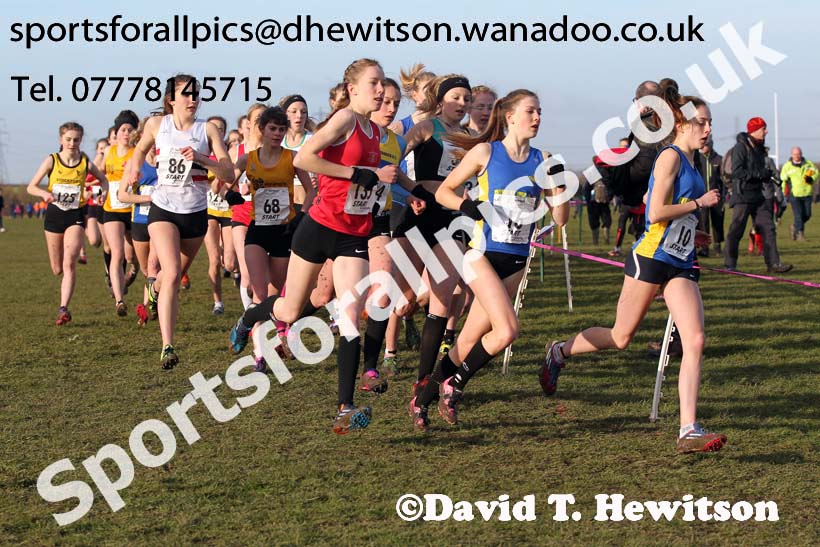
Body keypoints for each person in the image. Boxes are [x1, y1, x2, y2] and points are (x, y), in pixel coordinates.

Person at [539, 83, 727, 455]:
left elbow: (661, 206)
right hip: (651, 258)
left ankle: (688, 429)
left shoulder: (693, 161)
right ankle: (558, 351)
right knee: (621, 336)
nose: (708, 129)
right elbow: (654, 212)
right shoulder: (670, 157)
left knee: (696, 340)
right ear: (682, 124)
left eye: (709, 123)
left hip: (680, 261)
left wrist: (694, 233)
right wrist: (698, 205)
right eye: (702, 123)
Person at [229, 59, 397, 434]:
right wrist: (359, 174)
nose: (381, 90)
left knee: (351, 316)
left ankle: (344, 407)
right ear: (352, 89)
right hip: (318, 227)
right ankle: (250, 318)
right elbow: (305, 157)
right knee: (288, 310)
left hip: (354, 232)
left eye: (383, 83)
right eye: (373, 83)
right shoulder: (345, 120)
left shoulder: (374, 131)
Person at [409, 89, 569, 430]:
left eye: (539, 111)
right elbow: (443, 192)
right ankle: (456, 385)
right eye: (530, 111)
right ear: (510, 116)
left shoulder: (544, 158)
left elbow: (560, 219)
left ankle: (423, 398)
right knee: (508, 330)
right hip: (480, 255)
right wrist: (468, 206)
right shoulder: (485, 151)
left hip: (515, 260)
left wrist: (559, 185)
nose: (537, 117)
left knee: (467, 342)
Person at [124, 74, 234, 369]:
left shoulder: (207, 129)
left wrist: (203, 158)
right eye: (186, 94)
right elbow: (138, 149)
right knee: (171, 272)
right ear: (171, 99)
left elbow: (229, 173)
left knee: (169, 278)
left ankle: (152, 290)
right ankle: (167, 346)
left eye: (196, 93)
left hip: (196, 212)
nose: (193, 99)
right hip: (163, 208)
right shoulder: (157, 125)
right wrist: (133, 169)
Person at [394, 73, 473, 396]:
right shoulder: (428, 127)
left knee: (440, 301)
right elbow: (392, 158)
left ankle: (423, 382)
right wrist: (409, 190)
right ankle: (376, 358)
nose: (462, 104)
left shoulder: (470, 137)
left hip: (452, 222)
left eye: (466, 99)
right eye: (455, 97)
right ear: (440, 101)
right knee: (392, 297)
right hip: (418, 215)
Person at [231, 106, 314, 372]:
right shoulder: (248, 159)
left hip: (284, 232)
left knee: (275, 294)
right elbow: (225, 186)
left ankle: (252, 325)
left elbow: (312, 191)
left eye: (281, 129)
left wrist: (301, 216)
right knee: (259, 292)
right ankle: (259, 355)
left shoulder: (293, 158)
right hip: (257, 231)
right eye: (273, 129)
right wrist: (232, 196)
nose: (277, 134)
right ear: (262, 130)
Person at [27, 122, 109, 325]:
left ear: (81, 140)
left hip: (75, 215)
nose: (72, 143)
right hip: (55, 214)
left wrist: (102, 195)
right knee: (57, 268)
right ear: (61, 140)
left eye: (76, 139)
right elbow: (31, 187)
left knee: (69, 262)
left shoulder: (85, 162)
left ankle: (63, 308)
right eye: (68, 139)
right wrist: (44, 193)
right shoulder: (52, 160)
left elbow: (103, 180)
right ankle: (63, 283)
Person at [723, 117, 792, 273]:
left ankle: (773, 264)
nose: (766, 131)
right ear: (753, 130)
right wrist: (760, 174)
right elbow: (737, 171)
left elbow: (758, 172)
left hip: (758, 195)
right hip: (743, 196)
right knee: (736, 231)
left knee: (768, 227)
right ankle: (730, 265)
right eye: (763, 129)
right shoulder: (741, 147)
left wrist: (766, 175)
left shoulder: (759, 148)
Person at [606, 82, 663, 257]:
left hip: (648, 195)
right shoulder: (673, 121)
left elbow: (645, 165)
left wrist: (620, 178)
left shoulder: (647, 124)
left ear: (639, 101)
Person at [117, 116, 159, 326]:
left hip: (163, 220)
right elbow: (122, 195)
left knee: (155, 266)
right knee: (146, 269)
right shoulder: (136, 162)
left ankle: (147, 308)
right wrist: (147, 197)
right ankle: (151, 301)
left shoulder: (168, 159)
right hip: (140, 220)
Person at [102, 110, 140, 316]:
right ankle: (119, 300)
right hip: (112, 209)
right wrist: (99, 188)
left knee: (131, 254)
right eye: (123, 129)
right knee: (117, 253)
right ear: (116, 132)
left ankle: (134, 268)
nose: (126, 133)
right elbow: (99, 173)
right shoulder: (109, 151)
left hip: (133, 209)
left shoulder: (137, 152)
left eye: (130, 129)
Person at [204, 115, 235, 315]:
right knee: (214, 260)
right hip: (209, 212)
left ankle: (237, 275)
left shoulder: (229, 155)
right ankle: (218, 302)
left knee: (230, 263)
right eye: (214, 127)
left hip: (229, 210)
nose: (218, 130)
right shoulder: (200, 153)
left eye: (221, 128)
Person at [280, 94, 315, 207]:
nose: (299, 116)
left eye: (303, 112)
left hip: (307, 205)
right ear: (285, 114)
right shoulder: (277, 141)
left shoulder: (314, 140)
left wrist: (320, 180)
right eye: (294, 111)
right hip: (281, 207)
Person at [780, 146, 816, 241]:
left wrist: (812, 178)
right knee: (798, 215)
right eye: (795, 154)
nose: (797, 156)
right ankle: (800, 234)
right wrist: (783, 192)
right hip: (794, 195)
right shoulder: (787, 166)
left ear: (801, 154)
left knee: (807, 215)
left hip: (807, 193)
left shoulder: (808, 164)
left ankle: (794, 226)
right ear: (792, 155)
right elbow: (783, 180)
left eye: (799, 154)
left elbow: (816, 172)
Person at [696, 137, 724, 256]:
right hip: (703, 197)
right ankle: (704, 248)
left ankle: (717, 246)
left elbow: (723, 180)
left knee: (717, 222)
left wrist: (723, 195)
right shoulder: (697, 159)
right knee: (703, 222)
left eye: (706, 145)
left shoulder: (719, 159)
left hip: (716, 197)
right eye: (702, 146)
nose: (703, 148)